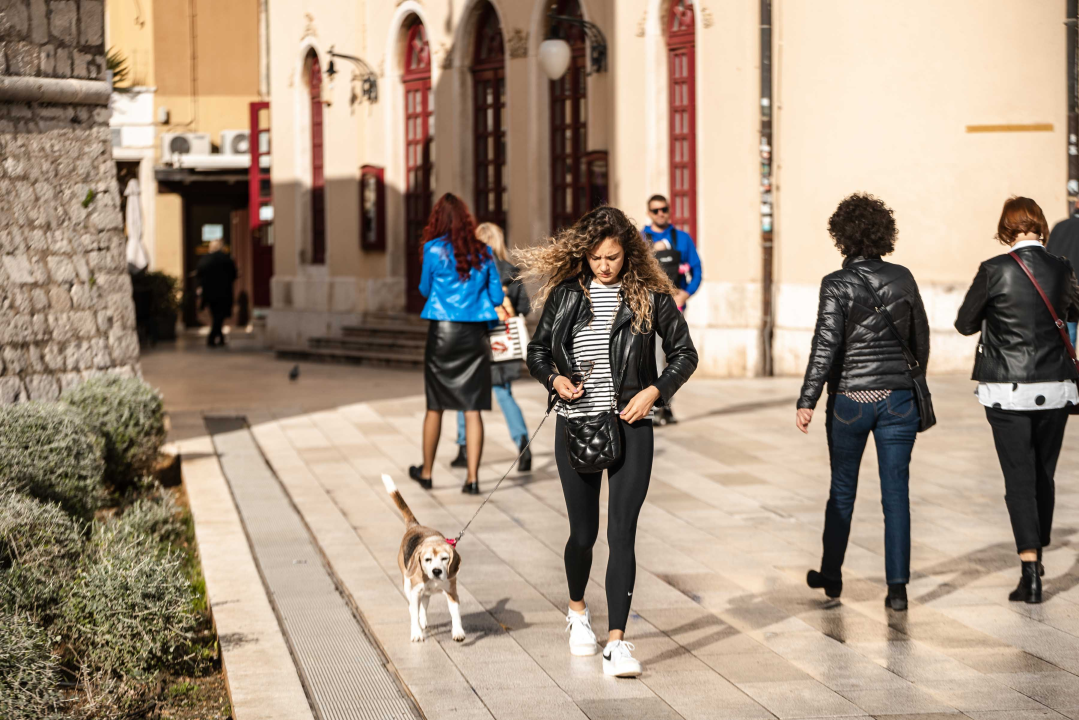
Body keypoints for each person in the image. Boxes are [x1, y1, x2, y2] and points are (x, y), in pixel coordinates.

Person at [521, 205, 697, 677]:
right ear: (585, 254)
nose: (604, 266)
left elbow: (684, 353)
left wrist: (655, 391)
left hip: (630, 425)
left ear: (628, 254)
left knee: (622, 534)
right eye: (597, 257)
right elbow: (536, 351)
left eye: (613, 257)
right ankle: (577, 611)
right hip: (576, 424)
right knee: (583, 535)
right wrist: (554, 379)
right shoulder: (565, 294)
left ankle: (617, 642)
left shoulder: (651, 295)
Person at [796, 193, 929, 612]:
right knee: (896, 494)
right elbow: (920, 340)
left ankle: (831, 575)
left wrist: (808, 398)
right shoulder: (903, 277)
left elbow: (826, 345)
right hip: (898, 401)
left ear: (842, 236)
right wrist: (903, 380)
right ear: (883, 233)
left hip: (850, 400)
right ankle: (898, 589)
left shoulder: (836, 283)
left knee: (842, 490)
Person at [955, 196, 1079, 605]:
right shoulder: (1061, 267)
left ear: (1006, 229)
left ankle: (1030, 569)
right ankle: (1037, 549)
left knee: (1018, 479)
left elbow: (964, 323)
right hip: (1057, 387)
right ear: (1040, 226)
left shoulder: (994, 270)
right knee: (1044, 474)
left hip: (1006, 391)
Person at [409, 194, 504, 495]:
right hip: (474, 334)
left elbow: (425, 289)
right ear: (466, 219)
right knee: (472, 407)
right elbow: (499, 298)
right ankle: (472, 479)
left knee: (435, 405)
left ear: (438, 219)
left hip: (442, 333)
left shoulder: (432, 250)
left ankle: (426, 473)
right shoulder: (485, 252)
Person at [450, 223, 534, 472]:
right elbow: (525, 308)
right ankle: (522, 445)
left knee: (466, 394)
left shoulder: (469, 271)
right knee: (503, 393)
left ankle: (464, 448)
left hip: (474, 338)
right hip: (504, 340)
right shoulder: (512, 271)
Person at [641, 194, 702, 425]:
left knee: (674, 357)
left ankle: (665, 404)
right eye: (655, 210)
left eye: (664, 209)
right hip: (648, 308)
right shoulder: (641, 238)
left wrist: (685, 293)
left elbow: (696, 270)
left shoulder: (682, 239)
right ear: (649, 213)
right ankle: (659, 406)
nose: (660, 214)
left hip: (675, 307)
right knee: (656, 355)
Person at [195, 239, 238, 347]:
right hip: (224, 292)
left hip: (209, 292)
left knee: (216, 315)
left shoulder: (205, 259)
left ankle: (220, 338)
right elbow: (233, 274)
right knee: (220, 316)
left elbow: (199, 274)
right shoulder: (226, 259)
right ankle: (212, 337)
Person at [1047, 206, 1079, 344]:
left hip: (1065, 293)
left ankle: (1071, 365)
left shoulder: (1060, 227)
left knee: (1067, 341)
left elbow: (1047, 259)